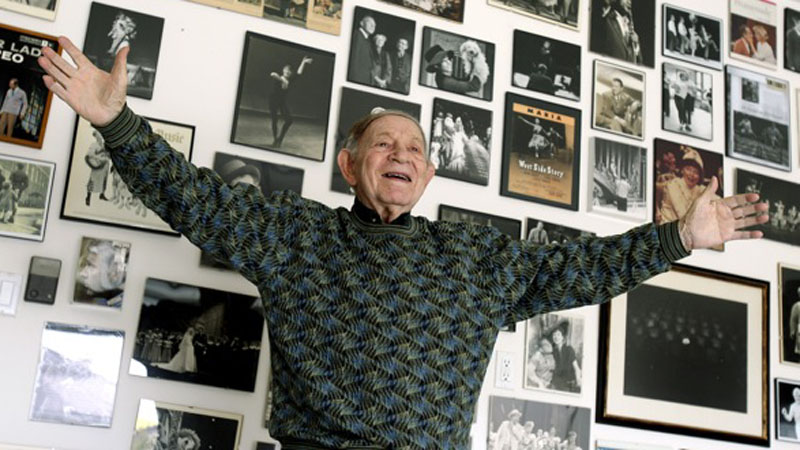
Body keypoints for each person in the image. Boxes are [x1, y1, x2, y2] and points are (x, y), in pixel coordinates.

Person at [38, 36, 768, 448]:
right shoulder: (295, 234)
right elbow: (191, 198)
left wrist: (679, 235)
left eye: (415, 147)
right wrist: (116, 123)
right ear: (349, 164)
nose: (402, 154)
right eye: (384, 143)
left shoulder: (478, 258)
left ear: (427, 175)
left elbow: (588, 267)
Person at [268, 56, 312, 148]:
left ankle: (280, 139)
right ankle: (275, 139)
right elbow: (272, 74)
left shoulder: (290, 80)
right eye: (286, 70)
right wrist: (282, 81)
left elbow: (299, 73)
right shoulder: (279, 78)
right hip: (273, 101)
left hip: (282, 102)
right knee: (274, 120)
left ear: (291, 73)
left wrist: (303, 62)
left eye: (289, 71)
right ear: (283, 70)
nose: (288, 72)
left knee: (289, 120)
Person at [659, 150, 706, 223]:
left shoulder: (702, 190)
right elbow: (678, 215)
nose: (691, 174)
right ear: (682, 170)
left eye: (696, 172)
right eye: (688, 169)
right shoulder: (672, 186)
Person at [85, 129, 111, 206]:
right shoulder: (94, 145)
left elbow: (109, 153)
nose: (100, 136)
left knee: (104, 180)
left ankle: (102, 195)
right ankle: (88, 197)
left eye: (101, 134)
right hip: (98, 164)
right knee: (93, 180)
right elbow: (90, 154)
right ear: (96, 136)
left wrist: (108, 156)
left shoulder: (105, 144)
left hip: (105, 165)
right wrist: (100, 158)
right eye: (98, 135)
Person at [350, 15, 375, 85]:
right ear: (361, 23)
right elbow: (354, 59)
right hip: (357, 79)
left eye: (374, 25)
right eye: (370, 23)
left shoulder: (366, 40)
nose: (373, 26)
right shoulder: (357, 36)